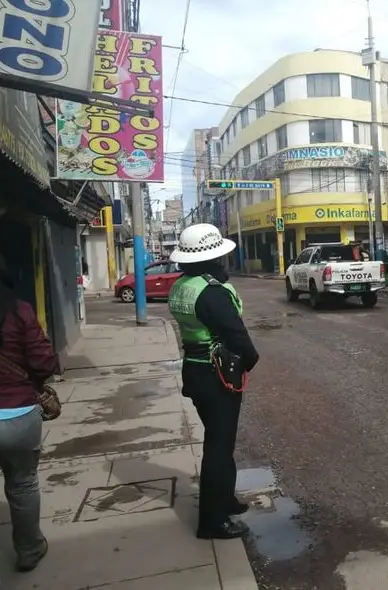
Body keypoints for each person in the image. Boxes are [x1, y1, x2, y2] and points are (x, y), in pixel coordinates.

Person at [0, 244, 58, 590]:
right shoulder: (18, 311)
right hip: (17, 416)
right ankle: (29, 549)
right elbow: (43, 363)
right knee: (22, 484)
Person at [168, 224, 260, 540]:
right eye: (220, 258)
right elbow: (237, 336)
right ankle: (212, 521)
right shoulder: (212, 292)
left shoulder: (181, 285)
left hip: (194, 370)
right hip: (216, 374)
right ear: (211, 260)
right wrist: (249, 360)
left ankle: (226, 499)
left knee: (220, 439)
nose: (224, 264)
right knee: (218, 448)